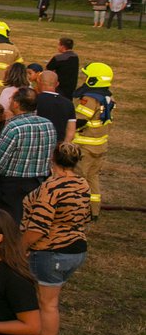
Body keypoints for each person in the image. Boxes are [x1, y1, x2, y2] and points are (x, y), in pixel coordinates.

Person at [20, 142, 90, 335]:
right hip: (76, 249)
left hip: (52, 252)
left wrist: (21, 247)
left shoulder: (52, 188)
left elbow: (39, 226)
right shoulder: (82, 184)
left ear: (53, 159)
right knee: (45, 300)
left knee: (48, 303)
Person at [0, 88, 55, 226]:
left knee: (11, 223)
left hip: (12, 186)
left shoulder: (14, 127)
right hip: (39, 182)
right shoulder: (48, 124)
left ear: (16, 104)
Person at [71, 62, 113, 219]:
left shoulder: (89, 98)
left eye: (88, 76)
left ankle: (77, 212)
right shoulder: (108, 96)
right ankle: (94, 210)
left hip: (85, 147)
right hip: (100, 146)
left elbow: (80, 120)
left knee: (78, 179)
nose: (86, 78)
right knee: (92, 178)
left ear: (94, 79)